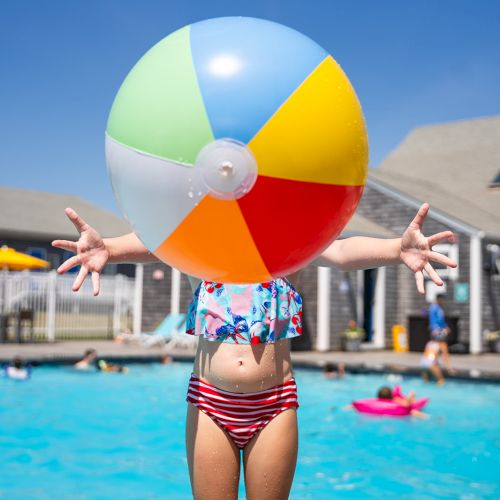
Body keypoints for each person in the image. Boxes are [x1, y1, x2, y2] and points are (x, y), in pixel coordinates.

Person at [52, 203, 456, 498]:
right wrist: (107, 247)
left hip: (275, 404)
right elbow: (154, 243)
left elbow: (340, 251)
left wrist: (396, 250)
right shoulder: (200, 243)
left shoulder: (286, 243)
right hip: (210, 401)